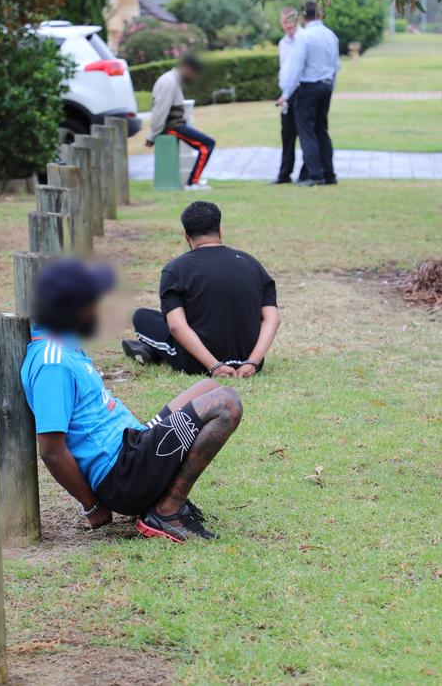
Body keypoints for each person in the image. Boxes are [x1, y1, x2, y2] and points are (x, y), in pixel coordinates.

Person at [21, 258, 242, 542]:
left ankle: (162, 497)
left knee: (209, 387)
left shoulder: (66, 345)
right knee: (227, 403)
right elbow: (51, 450)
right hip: (123, 474)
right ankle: (166, 511)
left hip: (134, 446)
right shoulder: (53, 363)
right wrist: (92, 505)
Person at [122, 200, 280, 377]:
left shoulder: (176, 269)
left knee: (142, 317)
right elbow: (272, 319)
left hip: (197, 363)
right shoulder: (252, 264)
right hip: (248, 360)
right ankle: (152, 350)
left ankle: (153, 351)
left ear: (186, 236)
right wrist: (253, 362)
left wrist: (214, 366)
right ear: (220, 230)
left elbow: (175, 326)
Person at [278, 1, 340, 187]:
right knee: (322, 130)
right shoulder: (331, 35)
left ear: (302, 17)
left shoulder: (304, 37)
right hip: (326, 85)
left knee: (307, 132)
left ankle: (314, 174)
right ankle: (329, 173)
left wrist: (286, 93)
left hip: (309, 87)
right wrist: (331, 85)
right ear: (319, 14)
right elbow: (336, 64)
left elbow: (296, 67)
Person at [146, 53, 215, 191]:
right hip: (172, 127)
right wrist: (152, 136)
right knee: (207, 144)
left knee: (206, 143)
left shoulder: (172, 80)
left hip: (175, 125)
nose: (194, 77)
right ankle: (193, 183)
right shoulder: (169, 82)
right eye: (194, 73)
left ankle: (193, 181)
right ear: (186, 68)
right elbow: (160, 111)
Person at [272, 6, 304, 184]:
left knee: (305, 133)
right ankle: (285, 173)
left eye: (290, 22)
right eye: (284, 23)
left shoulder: (304, 39)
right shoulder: (283, 43)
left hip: (301, 91)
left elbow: (299, 70)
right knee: (287, 134)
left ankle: (306, 172)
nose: (287, 26)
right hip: (286, 93)